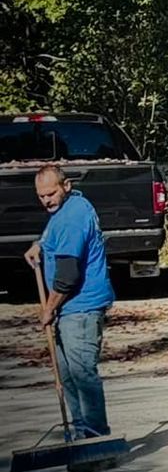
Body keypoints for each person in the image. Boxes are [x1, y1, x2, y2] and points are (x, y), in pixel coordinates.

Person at [24, 163, 115, 438]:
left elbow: (67, 276)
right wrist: (40, 244)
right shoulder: (70, 207)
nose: (46, 200)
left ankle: (96, 439)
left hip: (81, 308)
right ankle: (79, 434)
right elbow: (54, 234)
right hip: (70, 309)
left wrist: (48, 309)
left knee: (82, 375)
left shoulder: (72, 218)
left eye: (51, 194)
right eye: (41, 196)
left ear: (66, 186)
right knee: (68, 375)